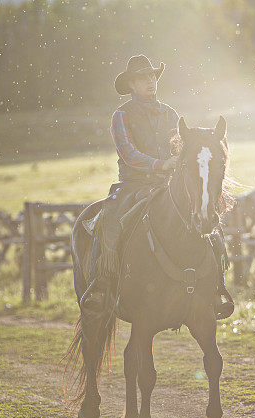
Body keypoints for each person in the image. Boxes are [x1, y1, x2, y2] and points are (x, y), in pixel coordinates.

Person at [83, 54, 180, 310]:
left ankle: (213, 286)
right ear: (131, 85)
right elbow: (128, 152)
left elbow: (180, 147)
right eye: (142, 78)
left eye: (151, 76)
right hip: (133, 185)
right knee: (109, 223)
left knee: (202, 219)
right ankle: (99, 285)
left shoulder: (171, 114)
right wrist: (159, 164)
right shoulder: (121, 115)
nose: (149, 81)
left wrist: (177, 161)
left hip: (167, 185)